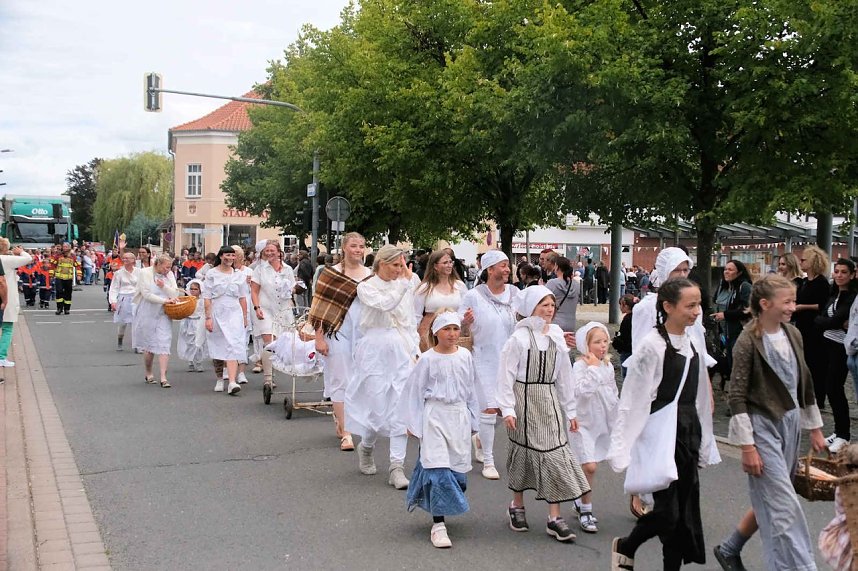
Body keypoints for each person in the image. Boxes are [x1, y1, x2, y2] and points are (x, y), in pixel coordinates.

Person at [712, 274, 825, 571]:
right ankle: (804, 567)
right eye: (787, 301)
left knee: (772, 501)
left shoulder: (793, 334)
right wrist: (747, 446)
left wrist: (814, 428)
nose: (793, 306)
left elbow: (805, 380)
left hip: (789, 424)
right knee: (785, 504)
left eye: (794, 300)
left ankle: (738, 551)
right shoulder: (747, 341)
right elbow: (736, 395)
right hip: (761, 425)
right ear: (765, 304)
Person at [608, 278, 720, 571]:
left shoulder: (694, 342)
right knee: (668, 513)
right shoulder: (652, 346)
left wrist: (705, 437)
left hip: (687, 431)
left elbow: (699, 396)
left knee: (684, 513)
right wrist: (624, 445)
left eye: (699, 305)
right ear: (668, 307)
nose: (697, 311)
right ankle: (627, 544)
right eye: (690, 305)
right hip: (661, 432)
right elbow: (633, 398)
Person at [497, 285, 589, 542]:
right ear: (531, 308)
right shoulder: (519, 338)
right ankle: (517, 505)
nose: (549, 310)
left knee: (555, 454)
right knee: (523, 452)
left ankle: (554, 517)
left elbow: (564, 375)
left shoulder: (557, 335)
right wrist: (506, 408)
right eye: (543, 305)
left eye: (551, 305)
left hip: (548, 401)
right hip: (524, 400)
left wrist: (570, 409)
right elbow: (505, 375)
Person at [345, 245, 420, 489]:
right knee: (377, 407)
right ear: (381, 264)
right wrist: (404, 287)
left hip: (401, 349)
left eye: (402, 265)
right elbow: (385, 305)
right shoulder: (366, 287)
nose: (400, 270)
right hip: (375, 350)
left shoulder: (405, 287)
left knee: (400, 407)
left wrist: (414, 349)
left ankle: (396, 467)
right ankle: (366, 446)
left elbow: (409, 321)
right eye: (396, 265)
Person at [404, 311, 480, 549]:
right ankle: (438, 524)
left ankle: (442, 502)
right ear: (436, 332)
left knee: (456, 471)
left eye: (456, 329)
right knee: (437, 467)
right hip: (434, 416)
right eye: (446, 329)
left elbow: (471, 388)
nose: (452, 334)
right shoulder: (427, 359)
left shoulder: (465, 356)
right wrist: (413, 424)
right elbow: (414, 392)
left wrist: (475, 421)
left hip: (458, 416)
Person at [458, 250, 519, 481]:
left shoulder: (515, 294)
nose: (507, 269)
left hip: (510, 359)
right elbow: (460, 327)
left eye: (507, 266)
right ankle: (489, 461)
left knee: (505, 410)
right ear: (490, 270)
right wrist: (466, 322)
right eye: (502, 265)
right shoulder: (474, 296)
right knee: (489, 409)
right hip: (484, 357)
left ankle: (481, 439)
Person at [312, 233, 371, 451]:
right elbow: (320, 306)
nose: (358, 249)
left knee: (362, 380)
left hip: (364, 332)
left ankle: (354, 422)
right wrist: (319, 338)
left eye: (361, 246)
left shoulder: (371, 276)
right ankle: (346, 433)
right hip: (336, 331)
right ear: (344, 248)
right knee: (340, 379)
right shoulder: (331, 274)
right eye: (354, 246)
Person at [569, 321, 618, 534]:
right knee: (589, 466)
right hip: (582, 423)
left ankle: (580, 501)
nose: (602, 346)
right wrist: (593, 370)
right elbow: (582, 393)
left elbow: (612, 393)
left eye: (605, 341)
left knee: (592, 463)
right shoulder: (580, 366)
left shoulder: (606, 365)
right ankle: (586, 509)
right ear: (586, 344)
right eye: (597, 342)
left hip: (601, 422)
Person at [815, 258, 858, 453]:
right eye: (837, 271)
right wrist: (829, 321)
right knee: (829, 388)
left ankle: (844, 435)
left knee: (835, 388)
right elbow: (823, 318)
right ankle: (838, 431)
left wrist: (830, 321)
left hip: (841, 346)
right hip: (827, 344)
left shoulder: (851, 297)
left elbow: (833, 320)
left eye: (844, 272)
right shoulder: (834, 294)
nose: (839, 275)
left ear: (852, 275)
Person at [204, 246, 249, 396]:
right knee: (218, 344)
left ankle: (231, 381)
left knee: (233, 344)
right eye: (227, 255)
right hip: (217, 310)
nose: (230, 258)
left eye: (232, 255)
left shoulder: (239, 275)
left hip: (234, 312)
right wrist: (208, 317)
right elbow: (207, 297)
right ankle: (219, 378)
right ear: (221, 256)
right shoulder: (212, 273)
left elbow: (243, 297)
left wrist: (244, 316)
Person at [251, 241, 296, 391]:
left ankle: (273, 371)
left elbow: (293, 288)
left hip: (283, 310)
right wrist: (257, 307)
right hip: (266, 309)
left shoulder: (288, 269)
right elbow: (254, 290)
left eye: (272, 250)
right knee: (269, 342)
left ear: (278, 252)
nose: (269, 253)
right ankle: (268, 379)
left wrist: (293, 289)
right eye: (267, 251)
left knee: (281, 344)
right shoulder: (260, 269)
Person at [132, 254, 180, 387]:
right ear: (157, 264)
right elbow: (146, 294)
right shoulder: (144, 273)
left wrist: (164, 287)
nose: (168, 270)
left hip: (165, 312)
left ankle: (164, 377)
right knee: (150, 345)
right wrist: (164, 300)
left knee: (164, 342)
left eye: (170, 267)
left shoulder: (169, 275)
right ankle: (148, 372)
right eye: (166, 267)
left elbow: (175, 293)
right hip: (148, 311)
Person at [794, 245, 831, 410]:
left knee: (816, 364)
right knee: (804, 362)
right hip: (802, 325)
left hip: (815, 328)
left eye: (804, 260)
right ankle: (805, 395)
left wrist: (803, 306)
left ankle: (818, 398)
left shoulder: (821, 283)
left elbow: (823, 305)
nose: (801, 262)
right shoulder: (804, 282)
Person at [414, 250, 469, 352]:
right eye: (445, 263)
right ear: (435, 266)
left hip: (454, 334)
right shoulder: (425, 288)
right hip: (429, 335)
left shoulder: (459, 286)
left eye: (450, 262)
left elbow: (465, 309)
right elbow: (416, 316)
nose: (449, 265)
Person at [711, 259, 753, 378]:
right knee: (731, 365)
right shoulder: (726, 287)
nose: (726, 272)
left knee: (740, 366)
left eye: (730, 270)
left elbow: (748, 310)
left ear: (739, 273)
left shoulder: (744, 287)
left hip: (740, 332)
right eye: (725, 269)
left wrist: (725, 314)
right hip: (727, 333)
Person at [0, 240, 32, 367]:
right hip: (5, 297)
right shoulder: (6, 259)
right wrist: (20, 252)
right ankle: (1, 356)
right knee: (7, 328)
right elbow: (28, 258)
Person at [108, 252, 138, 351]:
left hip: (136, 299)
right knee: (123, 322)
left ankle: (137, 345)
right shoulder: (118, 273)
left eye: (127, 258)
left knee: (136, 323)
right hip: (123, 298)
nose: (125, 260)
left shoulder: (139, 272)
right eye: (124, 258)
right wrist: (113, 301)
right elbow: (114, 288)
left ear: (133, 260)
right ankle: (120, 341)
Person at [177, 279, 207, 373]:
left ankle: (198, 362)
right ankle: (190, 361)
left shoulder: (202, 301)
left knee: (198, 343)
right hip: (188, 322)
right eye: (191, 289)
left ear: (200, 290)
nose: (193, 291)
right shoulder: (186, 300)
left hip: (198, 322)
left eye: (195, 289)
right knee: (189, 343)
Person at [544, 256, 579, 333]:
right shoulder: (576, 285)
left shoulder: (552, 283)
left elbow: (543, 299)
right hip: (571, 323)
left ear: (557, 267)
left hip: (556, 322)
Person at [50, 242, 81, 315]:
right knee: (59, 292)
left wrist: (79, 275)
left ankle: (67, 309)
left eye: (66, 247)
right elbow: (52, 265)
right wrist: (51, 275)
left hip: (68, 278)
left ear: (69, 248)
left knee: (68, 294)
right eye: (63, 247)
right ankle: (59, 308)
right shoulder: (58, 256)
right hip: (59, 277)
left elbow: (78, 266)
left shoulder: (73, 256)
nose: (64, 248)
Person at [613, 294, 637, 378]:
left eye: (620, 305)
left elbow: (624, 337)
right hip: (634, 348)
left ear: (625, 305)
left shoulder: (627, 319)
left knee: (626, 375)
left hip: (627, 350)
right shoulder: (637, 317)